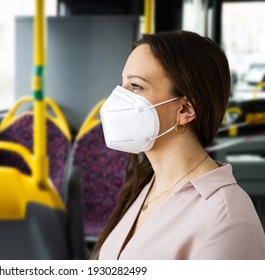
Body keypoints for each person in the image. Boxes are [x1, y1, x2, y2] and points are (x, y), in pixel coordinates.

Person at [95, 30, 265, 260]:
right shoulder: (146, 185)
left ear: (186, 109)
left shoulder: (227, 217)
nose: (116, 99)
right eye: (122, 84)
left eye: (135, 86)